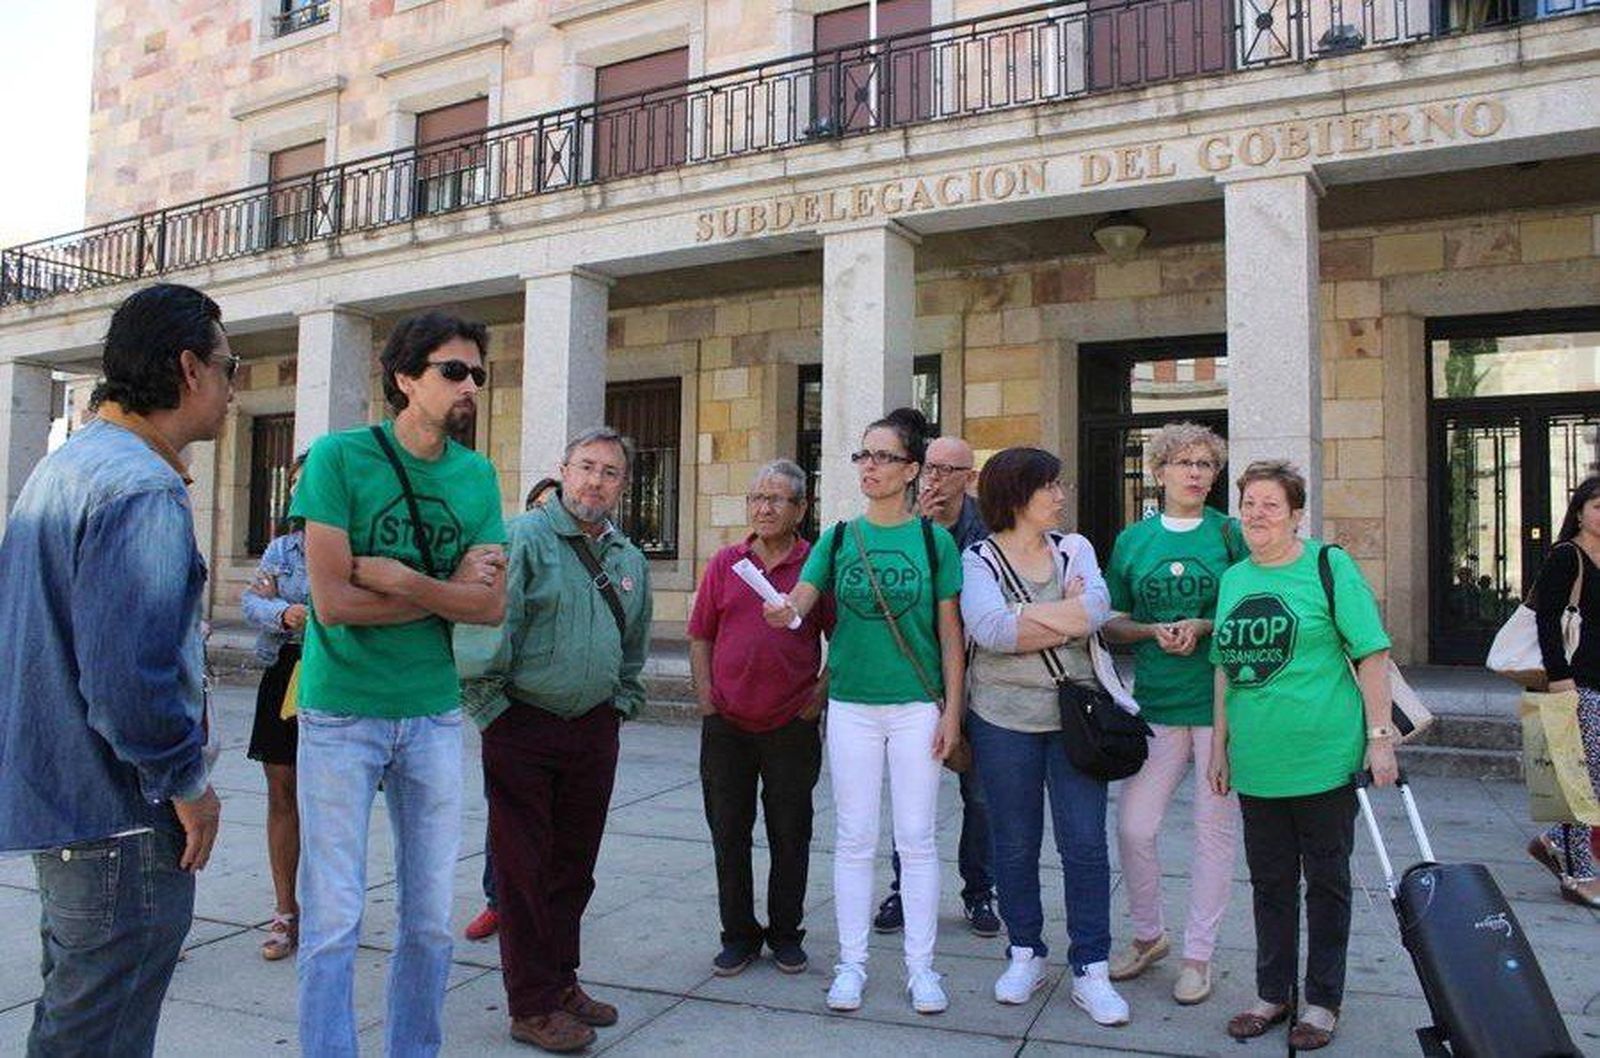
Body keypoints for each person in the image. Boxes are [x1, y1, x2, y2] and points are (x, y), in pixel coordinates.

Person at [0, 283, 230, 1057]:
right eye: (228, 369)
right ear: (190, 369)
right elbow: (129, 681)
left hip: (69, 810)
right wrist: (187, 784)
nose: (234, 390)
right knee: (95, 1037)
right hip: (120, 819)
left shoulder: (69, 466)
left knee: (72, 1027)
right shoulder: (140, 485)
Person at [292, 311, 508, 1058]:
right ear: (406, 377)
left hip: (432, 713)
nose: (469, 385)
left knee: (428, 920)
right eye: (453, 371)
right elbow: (332, 603)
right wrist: (448, 589)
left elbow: (491, 606)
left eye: (478, 373)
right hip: (340, 712)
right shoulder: (339, 458)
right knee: (333, 917)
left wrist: (406, 579)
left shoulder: (476, 475)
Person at [764, 407, 965, 1016]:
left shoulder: (933, 542)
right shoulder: (838, 537)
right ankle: (851, 965)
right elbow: (801, 602)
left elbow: (951, 637)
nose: (869, 467)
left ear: (911, 469)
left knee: (917, 839)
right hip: (852, 706)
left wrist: (953, 713)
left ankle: (921, 967)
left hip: (917, 707)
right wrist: (783, 610)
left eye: (883, 456)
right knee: (853, 839)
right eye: (863, 455)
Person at [457, 428, 651, 1054]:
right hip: (523, 725)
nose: (596, 481)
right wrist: (492, 713)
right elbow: (487, 629)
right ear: (563, 471)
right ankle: (531, 1005)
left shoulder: (627, 558)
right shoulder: (524, 539)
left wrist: (621, 702)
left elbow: (634, 643)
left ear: (624, 484)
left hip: (593, 728)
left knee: (574, 867)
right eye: (586, 467)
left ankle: (563, 982)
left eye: (611, 472)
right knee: (523, 872)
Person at [1208, 460, 1398, 1052]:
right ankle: (1272, 993)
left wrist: (1380, 737)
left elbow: (1372, 653)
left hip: (1324, 756)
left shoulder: (1327, 565)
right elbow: (1224, 669)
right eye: (1248, 504)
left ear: (1295, 513)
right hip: (1257, 760)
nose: (1257, 514)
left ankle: (1321, 1000)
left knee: (1326, 882)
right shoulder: (1234, 578)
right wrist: (1219, 746)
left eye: (1271, 504)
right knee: (1269, 884)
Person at [960, 446, 1130, 1027]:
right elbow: (990, 630)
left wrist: (1030, 616)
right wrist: (1067, 614)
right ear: (1016, 494)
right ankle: (1025, 951)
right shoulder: (978, 559)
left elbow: (1098, 611)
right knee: (1014, 843)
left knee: (1084, 844)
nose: (1060, 495)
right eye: (1049, 486)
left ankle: (1091, 965)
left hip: (1075, 720)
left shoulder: (1074, 548)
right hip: (1002, 719)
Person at [1102, 423, 1242, 1005]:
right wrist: (1150, 631)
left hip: (1218, 707)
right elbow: (1111, 623)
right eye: (1184, 462)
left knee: (1213, 832)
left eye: (1206, 464)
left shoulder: (1231, 534)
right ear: (1159, 472)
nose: (1195, 473)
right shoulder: (1133, 542)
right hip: (1156, 703)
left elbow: (1250, 608)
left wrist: (1205, 624)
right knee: (1134, 826)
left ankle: (1198, 956)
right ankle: (1148, 935)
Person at [690, 460, 833, 976]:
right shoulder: (726, 563)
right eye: (756, 498)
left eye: (776, 499)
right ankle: (738, 935)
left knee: (790, 833)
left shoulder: (816, 566)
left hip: (791, 724)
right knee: (728, 833)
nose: (764, 508)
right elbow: (700, 635)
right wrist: (707, 700)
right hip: (727, 724)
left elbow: (842, 640)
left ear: (801, 508)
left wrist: (817, 698)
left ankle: (786, 934)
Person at [873, 434, 999, 939]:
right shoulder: (905, 524)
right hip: (921, 678)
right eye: (930, 468)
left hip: (979, 679)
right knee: (913, 794)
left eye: (949, 470)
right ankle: (904, 890)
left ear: (970, 478)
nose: (936, 479)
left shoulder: (989, 529)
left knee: (981, 796)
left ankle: (979, 891)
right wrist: (921, 534)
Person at [464, 474, 563, 944]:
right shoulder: (507, 556)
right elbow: (480, 636)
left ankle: (547, 903)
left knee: (559, 818)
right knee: (504, 816)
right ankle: (498, 901)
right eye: (540, 507)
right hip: (512, 712)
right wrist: (490, 710)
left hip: (563, 711)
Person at [242, 452, 311, 962]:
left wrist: (291, 605)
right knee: (281, 788)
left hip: (337, 672)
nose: (300, 492)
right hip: (285, 669)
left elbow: (350, 607)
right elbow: (252, 603)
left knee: (330, 796)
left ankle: (330, 907)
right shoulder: (282, 548)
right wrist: (285, 612)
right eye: (295, 483)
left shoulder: (356, 542)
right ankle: (285, 911)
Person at [1525, 474, 1600, 908]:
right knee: (1580, 780)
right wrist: (1559, 676)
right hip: (1577, 682)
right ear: (1580, 512)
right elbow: (1546, 619)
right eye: (1597, 507)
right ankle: (1578, 876)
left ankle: (1553, 841)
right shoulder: (1566, 556)